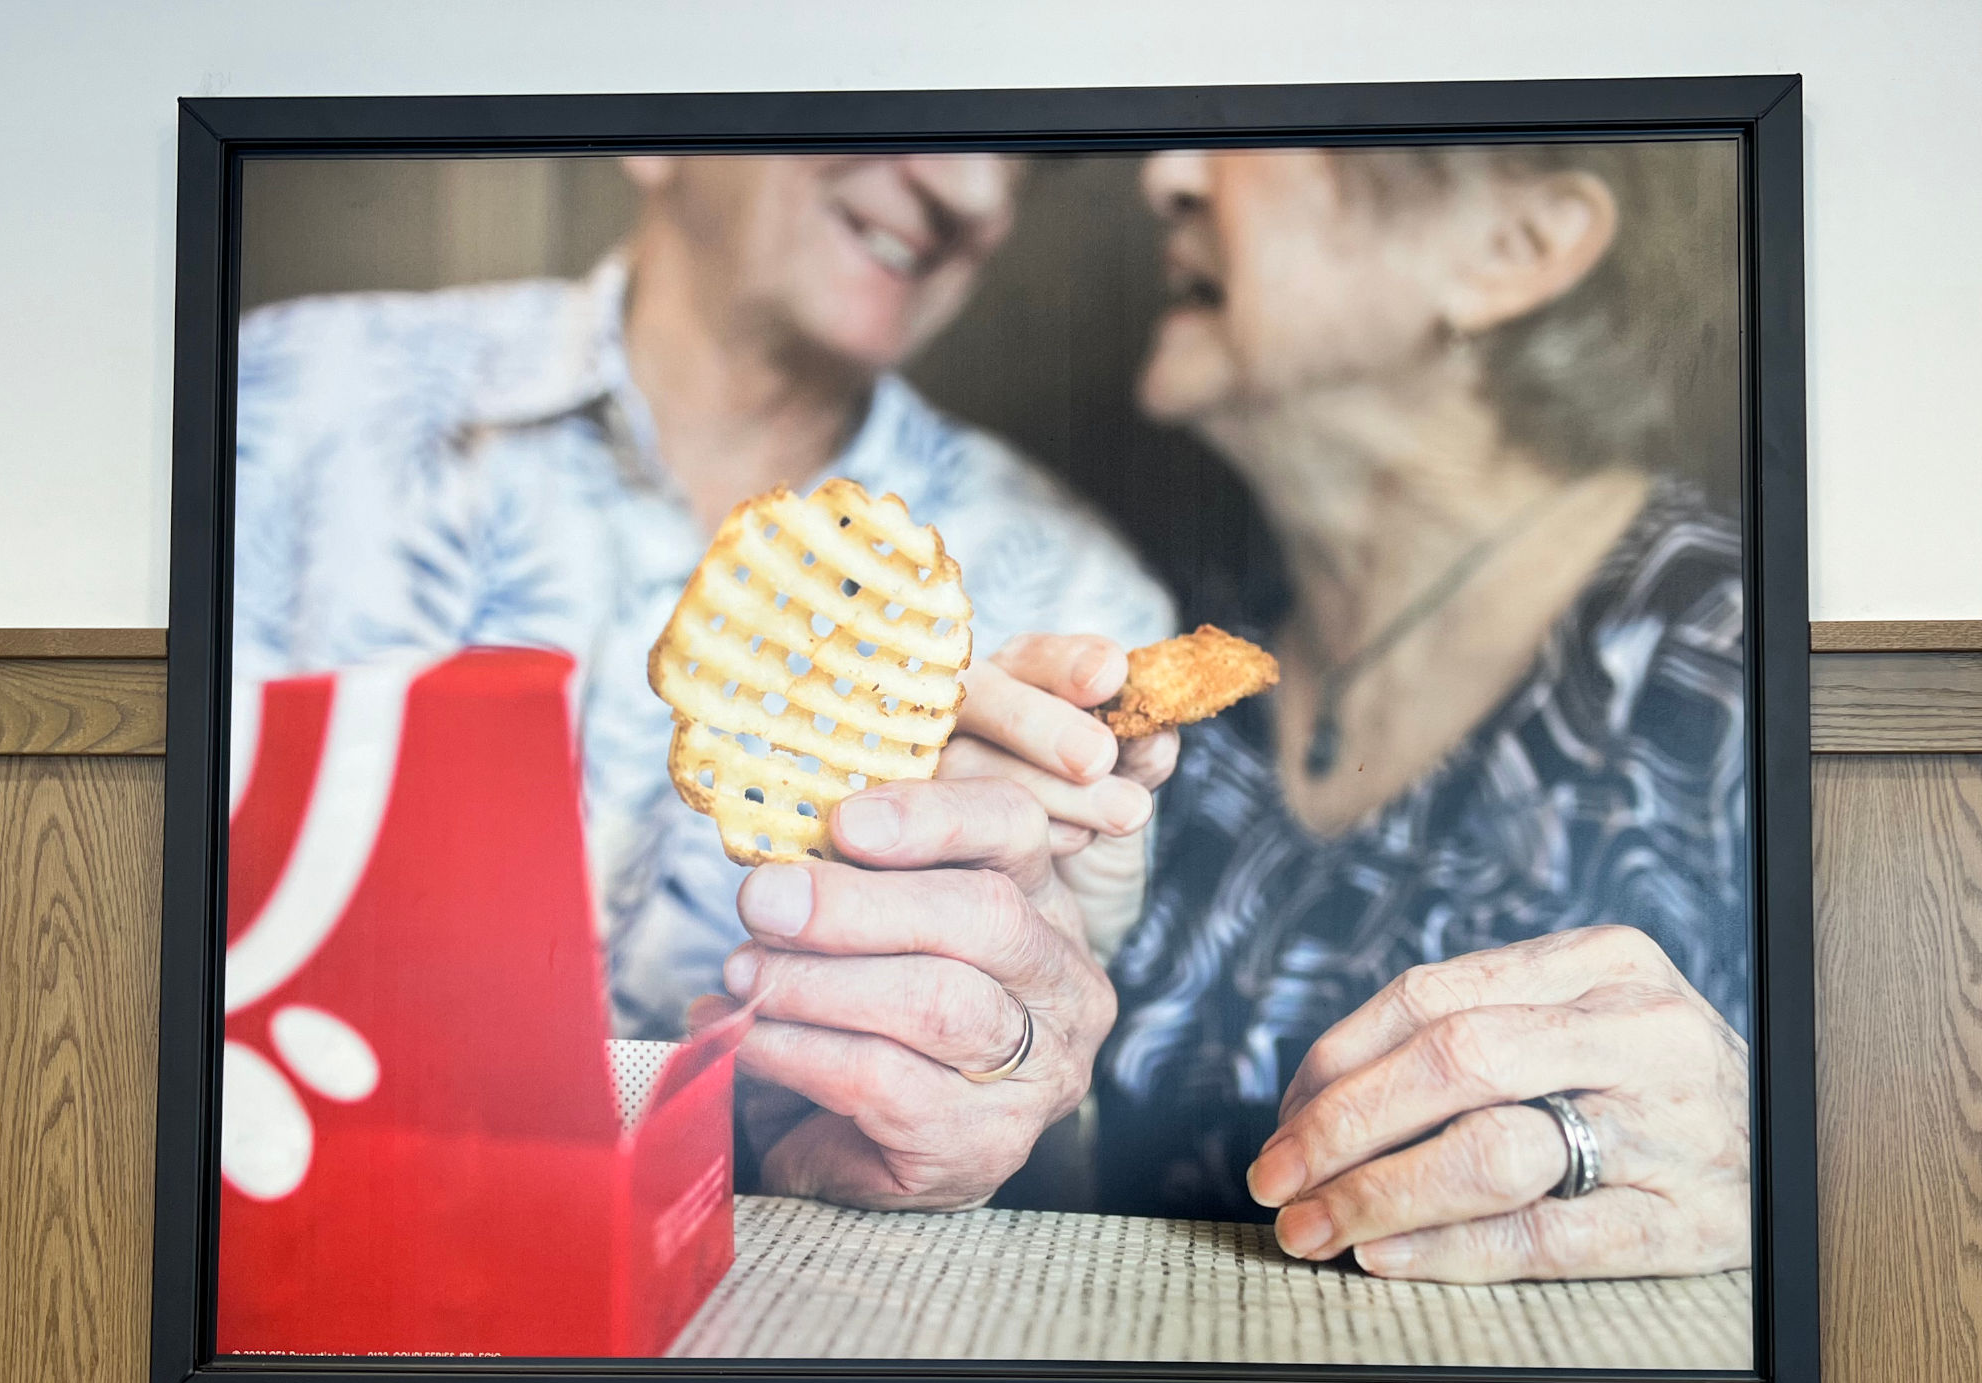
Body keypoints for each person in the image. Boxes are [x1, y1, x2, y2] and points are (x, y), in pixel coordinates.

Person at [717, 142, 1752, 1286]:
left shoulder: (1726, 653)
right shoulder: (1171, 675)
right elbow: (1086, 1233)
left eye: (1278, 121)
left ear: (1516, 249)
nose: (1167, 175)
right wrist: (996, 1052)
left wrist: (1750, 1170)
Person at [231, 153, 1176, 1040]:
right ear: (655, 131)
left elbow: (1045, 1114)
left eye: (1019, 153)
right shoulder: (277, 401)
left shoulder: (1073, 602)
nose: (974, 191)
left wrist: (1016, 1023)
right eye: (900, 84)